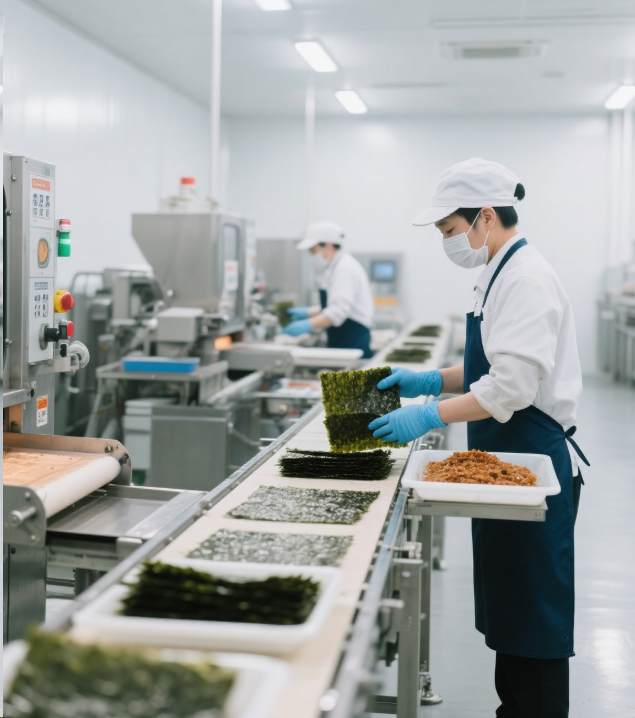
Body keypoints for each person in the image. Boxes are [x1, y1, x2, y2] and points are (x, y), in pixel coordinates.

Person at [370, 158, 589, 718]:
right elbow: (489, 369)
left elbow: (510, 388)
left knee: (533, 612)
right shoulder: (496, 272)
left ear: (485, 217)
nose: (447, 241)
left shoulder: (526, 278)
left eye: (449, 229)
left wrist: (428, 416)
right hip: (505, 457)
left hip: (532, 462)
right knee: (511, 606)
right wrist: (430, 380)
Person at [283, 221, 375, 359]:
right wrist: (308, 312)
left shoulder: (344, 269)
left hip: (351, 342)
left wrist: (307, 325)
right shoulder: (334, 268)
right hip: (343, 339)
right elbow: (334, 305)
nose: (311, 255)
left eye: (313, 250)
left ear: (328, 245)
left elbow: (337, 312)